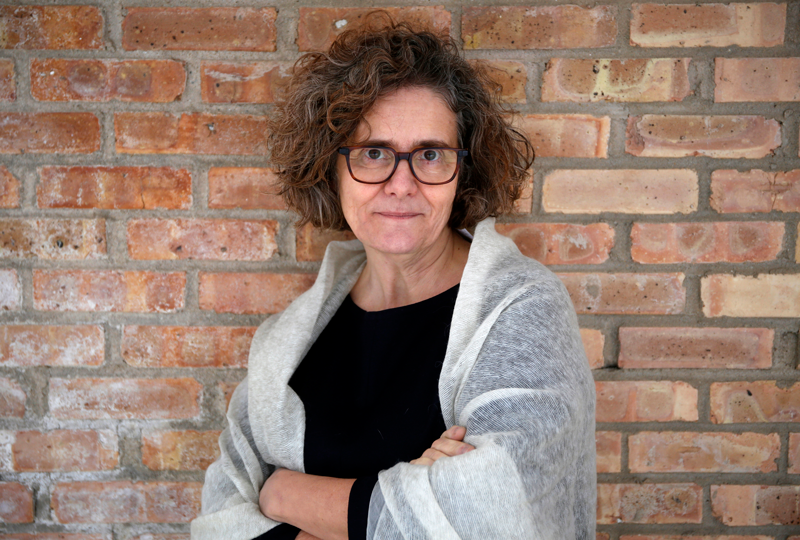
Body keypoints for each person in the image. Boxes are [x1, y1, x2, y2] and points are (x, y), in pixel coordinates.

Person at [191, 18, 596, 540]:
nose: (401, 184)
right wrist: (412, 503)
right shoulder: (291, 340)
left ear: (463, 172)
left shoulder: (521, 310)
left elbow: (496, 516)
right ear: (330, 169)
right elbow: (220, 516)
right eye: (374, 153)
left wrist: (286, 494)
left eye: (430, 154)